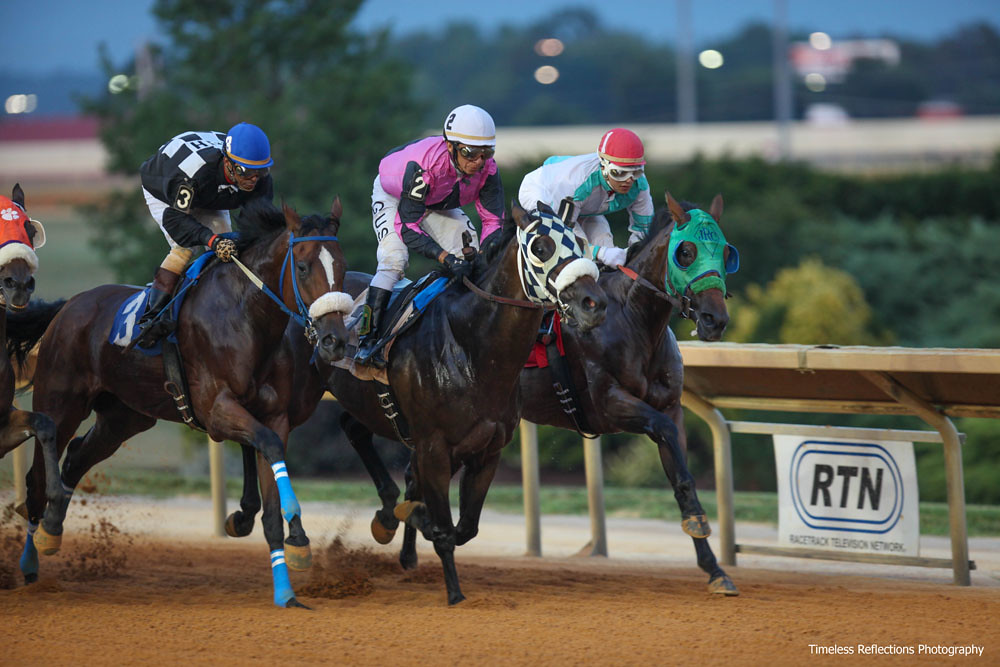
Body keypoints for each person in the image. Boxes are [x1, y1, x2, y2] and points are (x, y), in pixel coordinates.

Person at [355, 104, 505, 368]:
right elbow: (408, 227)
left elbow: (493, 222)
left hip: (436, 199)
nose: (479, 162)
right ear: (450, 147)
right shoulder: (424, 168)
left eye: (486, 153)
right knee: (394, 260)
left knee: (473, 259)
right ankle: (367, 338)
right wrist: (445, 258)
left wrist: (483, 255)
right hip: (396, 195)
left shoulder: (488, 170)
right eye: (470, 153)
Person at [133, 122, 274, 347]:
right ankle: (152, 318)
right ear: (228, 163)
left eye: (261, 171)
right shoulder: (194, 176)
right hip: (166, 191)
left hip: (209, 190)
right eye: (246, 172)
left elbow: (256, 223)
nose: (253, 179)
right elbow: (174, 219)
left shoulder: (258, 177)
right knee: (185, 248)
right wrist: (211, 240)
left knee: (230, 248)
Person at [517, 128, 654, 269]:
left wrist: (634, 254)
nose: (628, 181)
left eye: (636, 172)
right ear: (603, 166)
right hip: (543, 191)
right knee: (581, 257)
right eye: (619, 173)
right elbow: (562, 237)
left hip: (583, 205)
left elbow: (644, 228)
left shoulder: (640, 184)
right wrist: (598, 253)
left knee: (606, 245)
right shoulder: (576, 184)